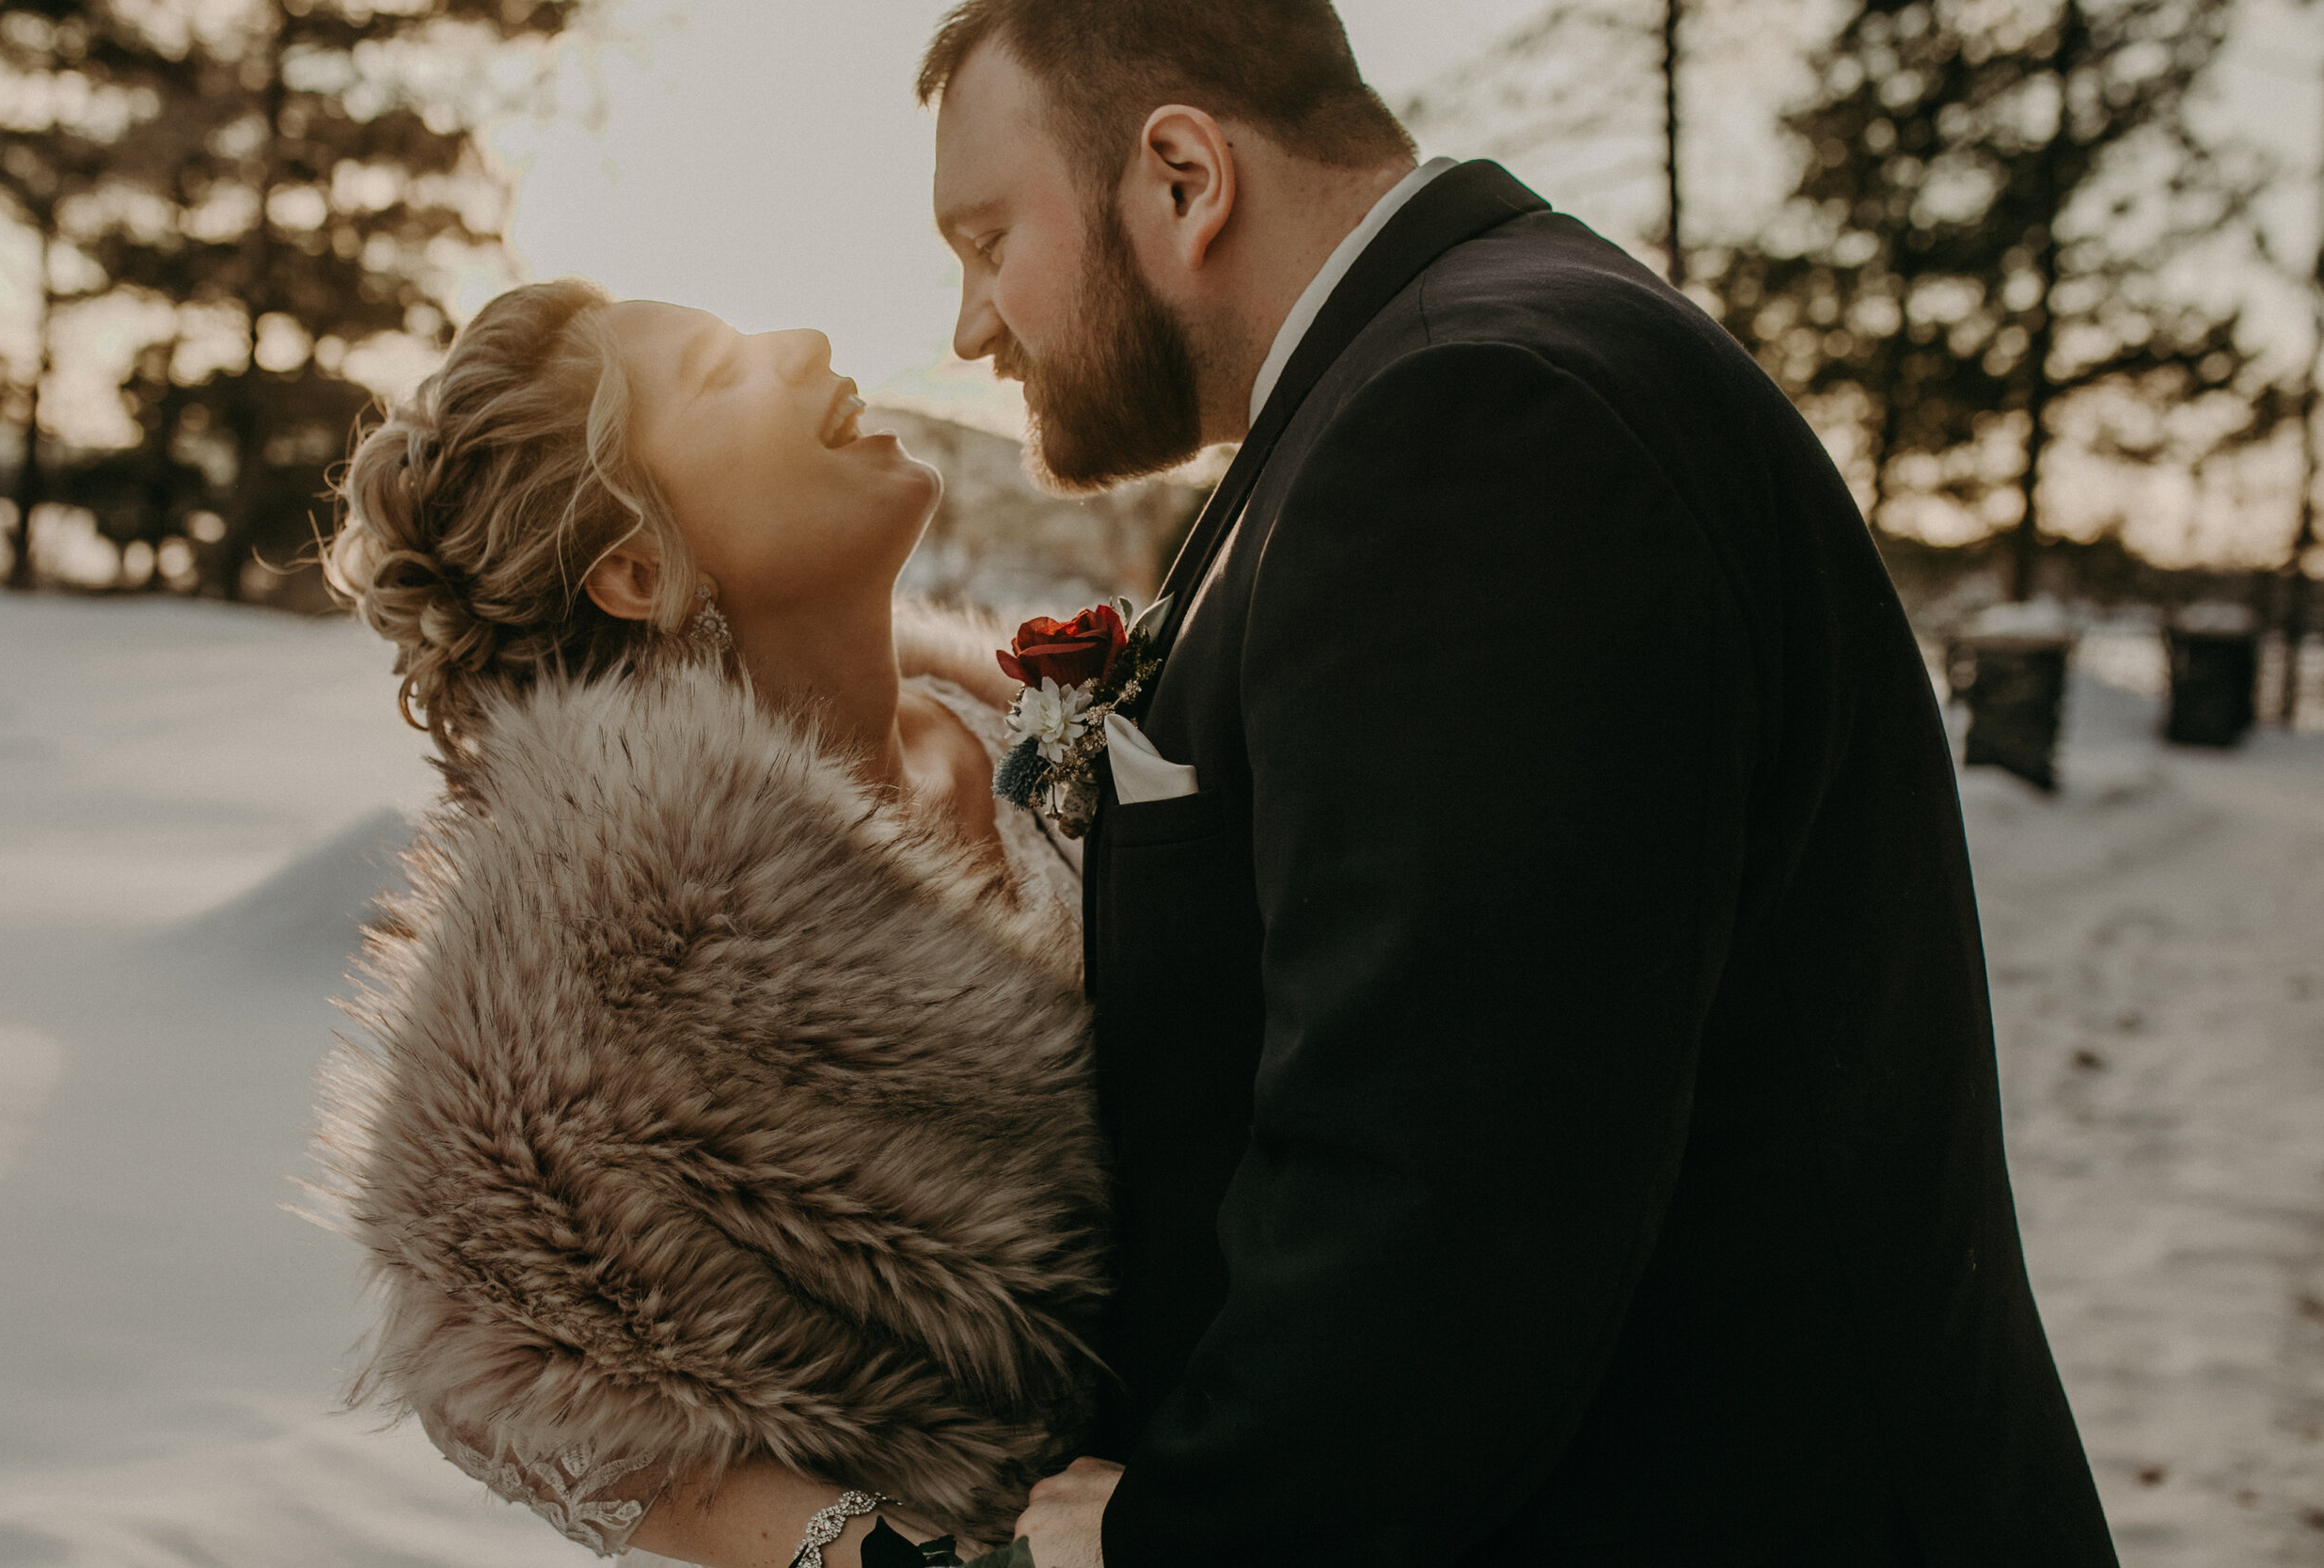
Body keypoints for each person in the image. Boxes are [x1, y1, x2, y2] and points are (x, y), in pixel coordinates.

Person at [917, 2, 2122, 1564]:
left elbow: (1443, 1205)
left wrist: (1172, 1537)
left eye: (986, 236)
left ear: (1182, 178)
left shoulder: (1476, 420)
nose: (968, 326)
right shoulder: (1434, 378)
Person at [320, 277, 1108, 1567]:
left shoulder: (1017, 722)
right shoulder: (601, 921)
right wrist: (872, 1554)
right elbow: (492, 1360)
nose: (800, 345)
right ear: (639, 567)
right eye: (714, 377)